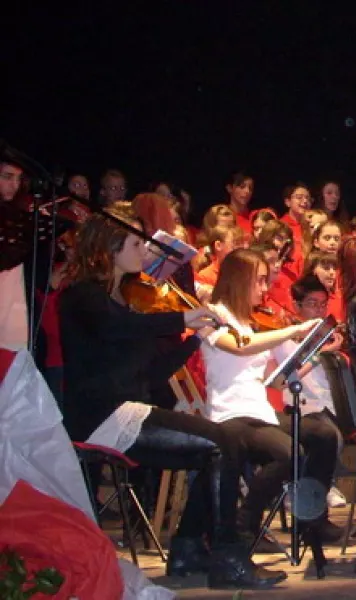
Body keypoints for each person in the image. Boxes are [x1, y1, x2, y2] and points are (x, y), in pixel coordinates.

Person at [59, 208, 285, 589]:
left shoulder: (128, 300)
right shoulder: (84, 297)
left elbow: (150, 375)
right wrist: (181, 319)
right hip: (101, 416)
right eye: (136, 244)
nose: (145, 253)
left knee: (220, 445)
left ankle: (188, 548)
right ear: (109, 247)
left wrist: (195, 336)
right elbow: (115, 329)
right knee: (225, 438)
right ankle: (227, 556)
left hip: (130, 409)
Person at [200, 248, 344, 547]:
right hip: (231, 414)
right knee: (289, 453)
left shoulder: (250, 319)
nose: (266, 289)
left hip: (259, 410)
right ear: (240, 280)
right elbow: (240, 346)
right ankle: (246, 523)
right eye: (260, 281)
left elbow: (278, 381)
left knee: (323, 433)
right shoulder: (214, 315)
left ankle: (311, 518)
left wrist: (313, 351)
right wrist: (292, 329)